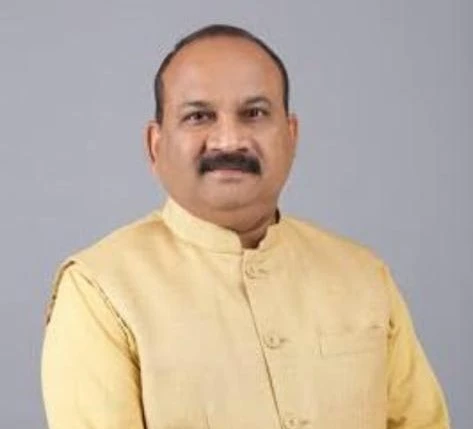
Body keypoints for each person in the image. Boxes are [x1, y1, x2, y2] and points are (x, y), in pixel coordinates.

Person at [41, 24, 450, 429]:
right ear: (155, 145)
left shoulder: (362, 275)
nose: (229, 140)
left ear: (291, 136)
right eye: (199, 116)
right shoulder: (100, 290)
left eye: (254, 114)